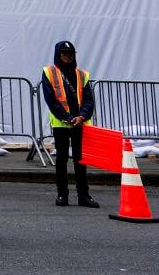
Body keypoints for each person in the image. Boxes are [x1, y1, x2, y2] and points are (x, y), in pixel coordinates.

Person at [40, 40, 100, 207]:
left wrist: (81, 116)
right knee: (62, 159)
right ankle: (62, 195)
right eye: (64, 54)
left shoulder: (82, 74)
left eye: (70, 54)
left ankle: (84, 196)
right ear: (58, 55)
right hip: (62, 123)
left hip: (80, 123)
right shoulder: (49, 72)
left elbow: (89, 99)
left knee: (80, 160)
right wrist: (67, 116)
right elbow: (50, 99)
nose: (67, 57)